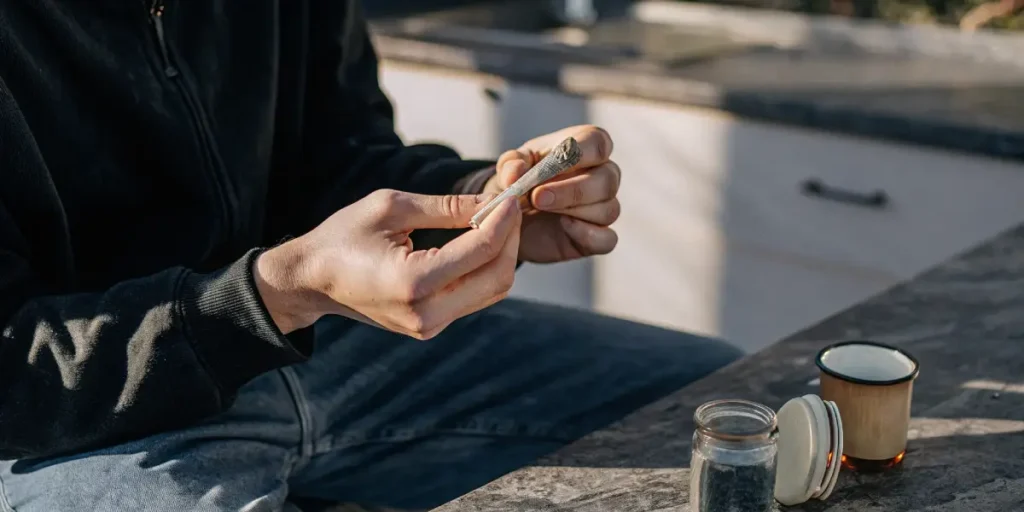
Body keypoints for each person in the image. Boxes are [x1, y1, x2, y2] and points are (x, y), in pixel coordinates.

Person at [0, 1, 743, 510]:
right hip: (83, 424)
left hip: (323, 343)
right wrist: (270, 294)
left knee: (735, 418)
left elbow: (340, 159)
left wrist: (484, 199)